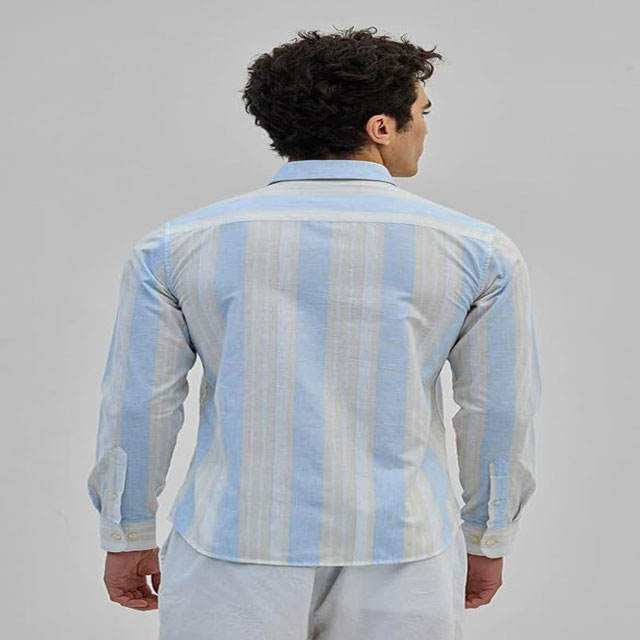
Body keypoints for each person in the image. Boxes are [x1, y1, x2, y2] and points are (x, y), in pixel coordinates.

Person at [87, 26, 541, 640]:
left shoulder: (176, 247)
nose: (426, 129)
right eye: (422, 112)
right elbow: (497, 408)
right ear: (381, 127)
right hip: (405, 547)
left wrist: (127, 530)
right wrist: (488, 535)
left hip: (231, 545)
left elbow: (139, 402)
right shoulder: (478, 251)